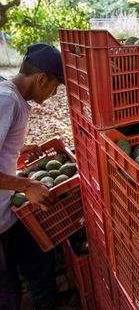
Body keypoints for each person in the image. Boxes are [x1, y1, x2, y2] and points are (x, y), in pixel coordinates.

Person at [0, 44, 65, 310]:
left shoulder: (10, 94)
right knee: (7, 294)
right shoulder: (6, 100)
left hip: (6, 210)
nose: (53, 94)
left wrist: (14, 148)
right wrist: (26, 185)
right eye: (55, 87)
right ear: (41, 78)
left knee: (38, 259)